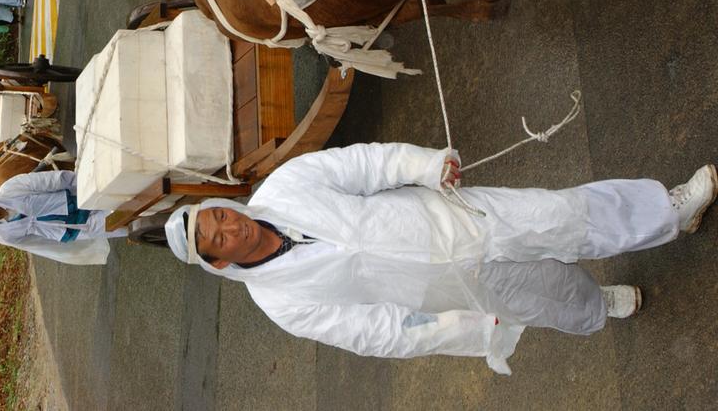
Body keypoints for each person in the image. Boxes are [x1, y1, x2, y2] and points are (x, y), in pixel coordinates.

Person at [163, 142, 717, 375]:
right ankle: (599, 305)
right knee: (545, 297)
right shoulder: (280, 301)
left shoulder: (286, 186)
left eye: (220, 215)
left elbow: (364, 165)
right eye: (220, 238)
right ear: (220, 264)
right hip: (450, 288)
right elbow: (369, 331)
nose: (231, 226)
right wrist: (448, 329)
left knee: (562, 215)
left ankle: (667, 210)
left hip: (454, 218)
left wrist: (426, 165)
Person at [0, 170, 126, 265]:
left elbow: (45, 181)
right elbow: (34, 243)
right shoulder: (4, 234)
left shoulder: (10, 189)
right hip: (68, 229)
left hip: (73, 200)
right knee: (117, 225)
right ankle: (145, 226)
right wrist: (64, 247)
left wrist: (81, 181)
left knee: (121, 198)